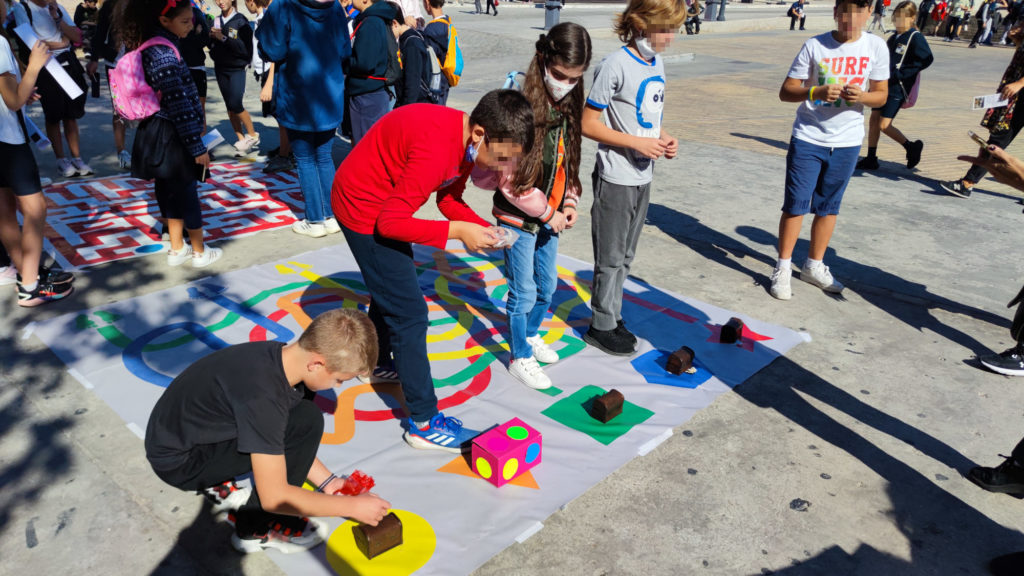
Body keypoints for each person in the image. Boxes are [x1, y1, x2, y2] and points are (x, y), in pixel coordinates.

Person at [330, 90, 534, 452]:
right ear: (479, 134)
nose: (501, 169)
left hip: (384, 203)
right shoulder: (438, 151)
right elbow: (390, 224)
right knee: (410, 315)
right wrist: (458, 232)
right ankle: (424, 423)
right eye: (501, 158)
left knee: (393, 288)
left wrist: (481, 228)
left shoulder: (468, 142)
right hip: (362, 207)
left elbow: (448, 199)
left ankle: (376, 362)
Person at [145, 308, 391, 554]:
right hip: (180, 464)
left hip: (181, 437)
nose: (336, 386)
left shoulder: (282, 359)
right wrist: (352, 508)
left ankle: (222, 481)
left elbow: (287, 433)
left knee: (303, 415)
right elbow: (274, 497)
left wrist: (329, 482)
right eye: (339, 380)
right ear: (316, 364)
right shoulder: (264, 399)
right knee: (308, 419)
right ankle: (254, 530)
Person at [484, 23, 591, 390]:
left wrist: (570, 200)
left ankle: (529, 334)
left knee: (547, 286)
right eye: (560, 75)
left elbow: (567, 162)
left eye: (575, 79)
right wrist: (549, 213)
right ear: (543, 59)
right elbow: (508, 181)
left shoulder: (568, 105)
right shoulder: (516, 104)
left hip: (551, 215)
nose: (566, 85)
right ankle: (519, 356)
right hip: (517, 217)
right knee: (524, 291)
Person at [580, 0, 684, 355]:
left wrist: (663, 137)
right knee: (610, 256)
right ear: (641, 24)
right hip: (615, 177)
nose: (671, 37)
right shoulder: (614, 65)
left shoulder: (657, 63)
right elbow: (588, 123)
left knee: (626, 255)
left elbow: (647, 117)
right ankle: (600, 325)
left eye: (674, 29)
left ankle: (613, 313)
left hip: (643, 175)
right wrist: (636, 143)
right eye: (666, 29)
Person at [769, 0, 889, 301]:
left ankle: (814, 264)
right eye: (845, 11)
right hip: (809, 136)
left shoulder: (876, 46)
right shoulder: (815, 45)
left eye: (859, 12)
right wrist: (815, 91)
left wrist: (863, 96)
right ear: (836, 12)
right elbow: (786, 91)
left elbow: (881, 95)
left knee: (829, 206)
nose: (851, 19)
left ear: (870, 13)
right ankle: (783, 266)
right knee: (796, 204)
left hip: (848, 140)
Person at [120, 0, 222, 268]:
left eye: (192, 20)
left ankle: (177, 248)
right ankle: (199, 252)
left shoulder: (152, 45)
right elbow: (178, 103)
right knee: (186, 190)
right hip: (172, 133)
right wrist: (197, 147)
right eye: (185, 21)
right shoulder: (163, 52)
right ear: (165, 21)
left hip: (158, 130)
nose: (191, 26)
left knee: (168, 188)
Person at [0, 0, 75, 306]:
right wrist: (33, 66)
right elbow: (13, 101)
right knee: (35, 208)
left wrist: (22, 87)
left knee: (4, 208)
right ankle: (30, 286)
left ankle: (26, 272)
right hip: (8, 140)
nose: (6, 7)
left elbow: (9, 94)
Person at [257, 0, 349, 238]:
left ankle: (315, 219)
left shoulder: (283, 5)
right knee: (324, 157)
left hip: (298, 95)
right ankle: (331, 216)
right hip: (328, 93)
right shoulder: (335, 6)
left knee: (306, 159)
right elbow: (344, 50)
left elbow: (273, 49)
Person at [942, 22, 1024, 198]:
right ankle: (968, 182)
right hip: (1016, 97)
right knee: (998, 138)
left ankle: (967, 183)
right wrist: (1018, 39)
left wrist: (1019, 83)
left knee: (998, 139)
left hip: (1019, 95)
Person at [13, 0, 92, 178]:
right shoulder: (22, 8)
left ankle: (77, 158)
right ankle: (61, 160)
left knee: (71, 115)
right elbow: (31, 42)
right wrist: (62, 44)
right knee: (53, 114)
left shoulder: (57, 8)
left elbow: (76, 37)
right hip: (46, 68)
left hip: (68, 65)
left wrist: (56, 17)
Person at [856, 1, 933, 170]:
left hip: (897, 87)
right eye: (896, 17)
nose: (899, 21)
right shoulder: (894, 37)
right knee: (874, 120)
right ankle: (871, 157)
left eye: (903, 18)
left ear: (912, 18)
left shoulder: (915, 37)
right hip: (883, 85)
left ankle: (911, 147)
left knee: (884, 125)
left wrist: (903, 73)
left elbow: (926, 59)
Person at [246, 0, 291, 173]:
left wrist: (270, 82)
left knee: (282, 114)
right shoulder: (268, 13)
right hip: (269, 70)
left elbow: (276, 52)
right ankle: (285, 148)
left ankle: (286, 154)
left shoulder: (276, 11)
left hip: (276, 72)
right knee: (278, 113)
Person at [86, 0, 132, 169]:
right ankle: (122, 151)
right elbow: (100, 33)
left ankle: (147, 148)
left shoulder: (143, 4)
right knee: (119, 109)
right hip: (114, 62)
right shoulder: (109, 5)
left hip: (138, 60)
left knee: (145, 107)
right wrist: (93, 59)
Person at [210, 0, 258, 154]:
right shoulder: (216, 20)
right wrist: (211, 38)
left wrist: (223, 38)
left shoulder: (240, 21)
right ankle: (241, 139)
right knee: (229, 106)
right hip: (220, 67)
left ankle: (253, 135)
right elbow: (211, 45)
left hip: (237, 69)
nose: (220, 2)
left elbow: (243, 48)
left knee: (235, 103)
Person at [347, 0, 398, 144]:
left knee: (365, 145)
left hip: (366, 95)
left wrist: (344, 60)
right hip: (371, 92)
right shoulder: (373, 19)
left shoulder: (371, 23)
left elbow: (364, 63)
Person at [392, 3, 436, 107]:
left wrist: (405, 110)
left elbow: (412, 84)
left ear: (395, 23)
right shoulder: (407, 40)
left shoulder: (411, 44)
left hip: (416, 105)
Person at [179, 5, 211, 136]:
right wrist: (194, 34)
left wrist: (193, 36)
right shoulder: (174, 13)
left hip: (197, 66)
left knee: (200, 106)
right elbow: (178, 41)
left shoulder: (196, 13)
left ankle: (203, 140)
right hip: (180, 67)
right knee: (182, 107)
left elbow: (205, 39)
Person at [421, 0, 451, 105]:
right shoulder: (447, 21)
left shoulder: (432, 29)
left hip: (437, 83)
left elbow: (428, 59)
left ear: (427, 2)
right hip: (445, 78)